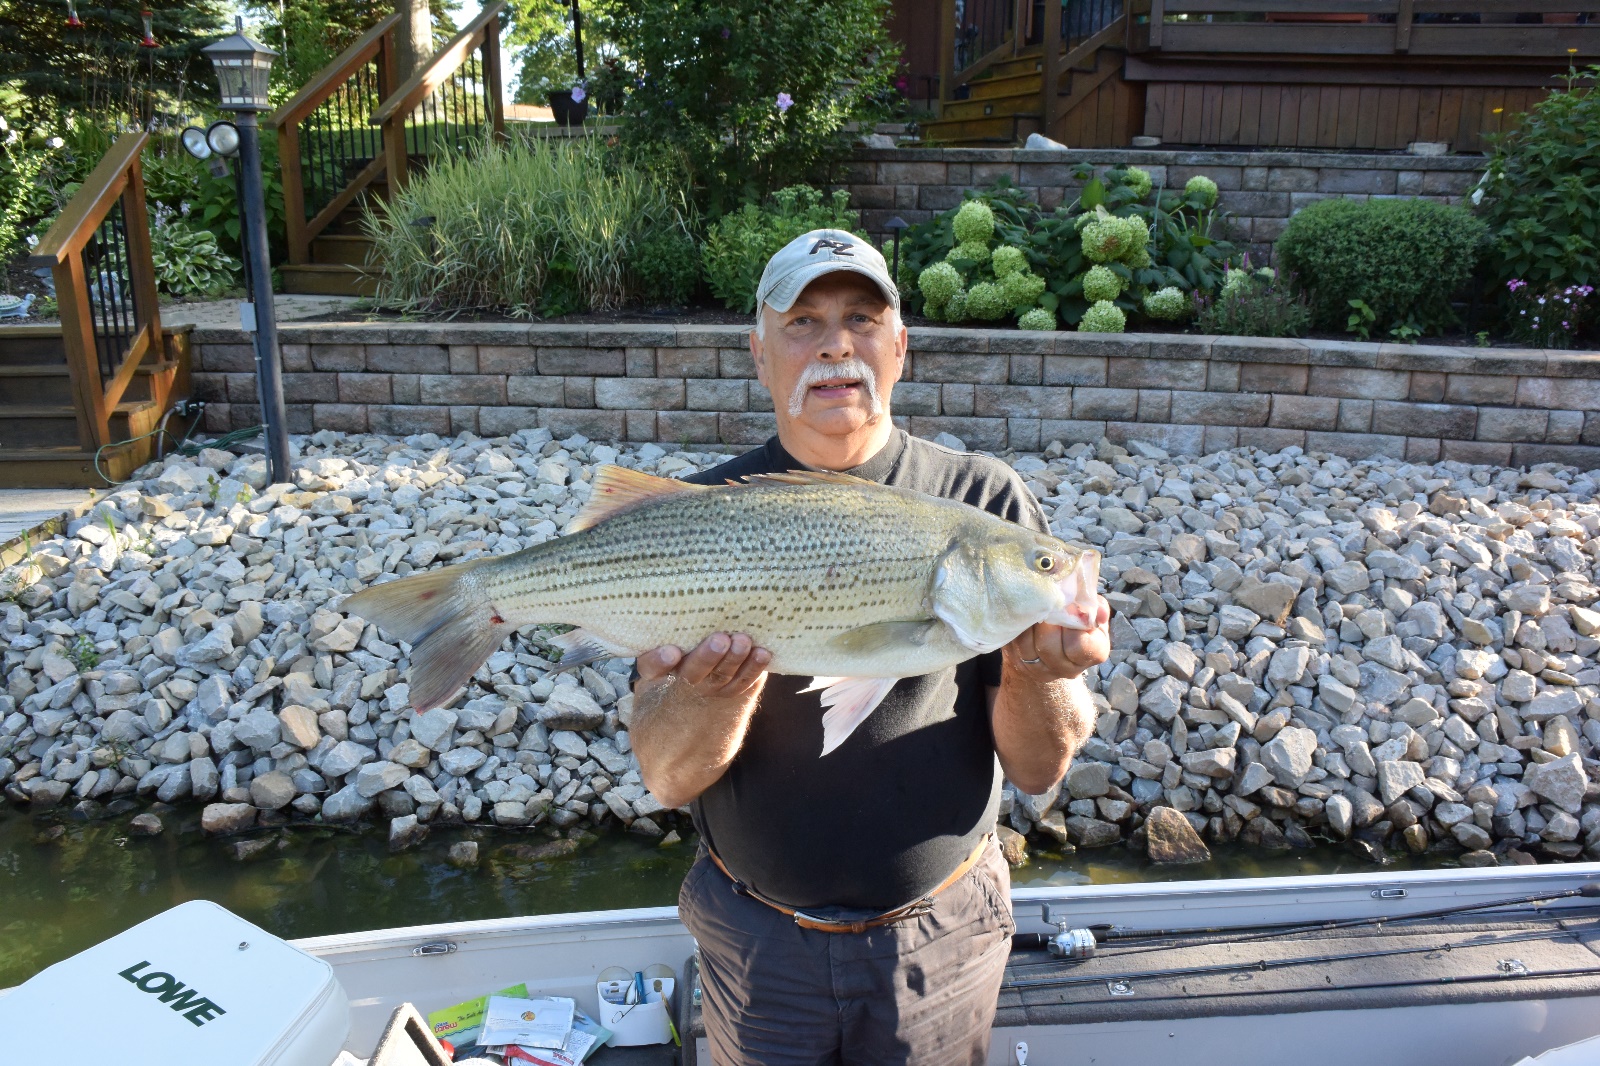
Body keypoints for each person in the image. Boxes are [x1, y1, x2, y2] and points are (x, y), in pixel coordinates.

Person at [629, 229, 1112, 1065]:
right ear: (759, 355)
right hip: (757, 948)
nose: (834, 345)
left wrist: (1033, 663)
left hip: (942, 942)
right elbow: (668, 778)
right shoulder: (697, 510)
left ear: (900, 348)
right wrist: (711, 692)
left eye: (861, 318)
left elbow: (1039, 771)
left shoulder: (983, 498)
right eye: (803, 322)